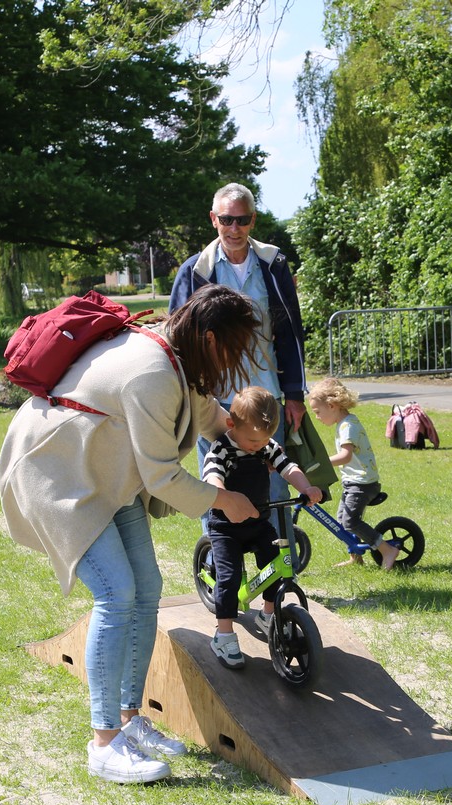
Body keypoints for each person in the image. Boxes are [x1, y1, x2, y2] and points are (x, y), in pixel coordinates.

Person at [0, 285, 262, 784]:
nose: (237, 359)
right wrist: (226, 499)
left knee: (147, 589)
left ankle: (128, 718)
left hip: (106, 476)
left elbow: (211, 416)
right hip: (59, 474)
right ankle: (104, 744)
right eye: (234, 347)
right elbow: (162, 477)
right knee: (117, 594)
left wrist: (260, 446)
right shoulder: (152, 372)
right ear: (210, 338)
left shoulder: (179, 354)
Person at [169, 183, 308, 526]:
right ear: (213, 219)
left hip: (266, 396)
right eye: (227, 220)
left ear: (252, 220)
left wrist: (294, 394)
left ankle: (277, 553)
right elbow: (176, 340)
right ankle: (219, 555)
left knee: (274, 483)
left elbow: (290, 332)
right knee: (216, 483)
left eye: (242, 220)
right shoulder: (195, 271)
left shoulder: (273, 263)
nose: (234, 228)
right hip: (213, 399)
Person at [201, 386, 323, 670]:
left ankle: (267, 614)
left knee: (277, 565)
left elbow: (288, 467)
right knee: (229, 578)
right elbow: (212, 477)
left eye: (265, 440)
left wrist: (306, 488)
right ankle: (224, 635)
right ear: (231, 424)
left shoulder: (265, 445)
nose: (259, 446)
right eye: (253, 440)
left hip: (258, 522)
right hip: (227, 527)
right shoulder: (221, 449)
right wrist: (224, 496)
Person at [305, 378, 402, 570]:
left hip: (362, 484)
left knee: (350, 521)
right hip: (354, 482)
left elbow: (346, 456)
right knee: (343, 521)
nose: (317, 417)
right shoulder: (344, 423)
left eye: (317, 412)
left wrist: (322, 464)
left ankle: (387, 550)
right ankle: (355, 556)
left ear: (331, 406)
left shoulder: (348, 426)